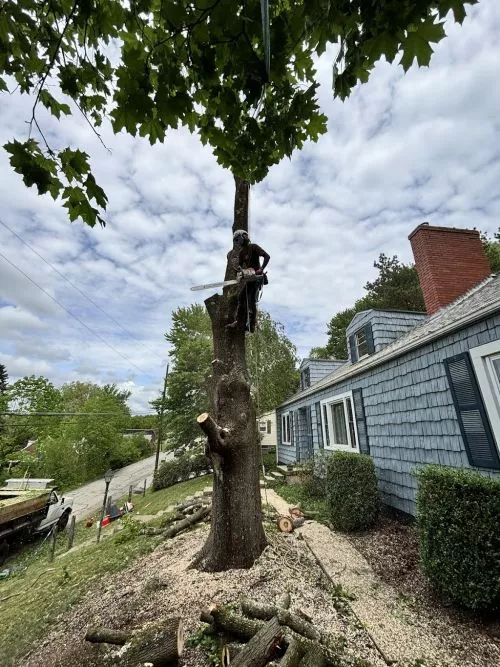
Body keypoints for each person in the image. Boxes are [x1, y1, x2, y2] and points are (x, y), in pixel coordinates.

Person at [227, 229, 270, 332]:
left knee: (251, 301)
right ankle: (238, 321)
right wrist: (240, 272)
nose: (238, 242)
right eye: (236, 240)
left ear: (244, 237)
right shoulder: (242, 253)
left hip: (257, 277)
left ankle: (252, 325)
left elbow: (267, 256)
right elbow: (240, 267)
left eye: (238, 239)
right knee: (241, 298)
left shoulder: (253, 247)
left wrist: (261, 269)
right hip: (249, 277)